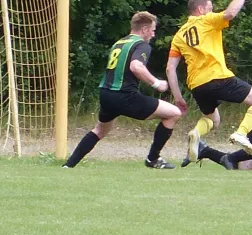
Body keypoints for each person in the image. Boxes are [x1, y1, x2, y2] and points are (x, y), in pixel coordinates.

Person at [166, 0, 252, 164]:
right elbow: (230, 14)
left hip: (197, 85)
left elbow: (170, 69)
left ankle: (196, 133)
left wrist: (179, 98)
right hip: (217, 77)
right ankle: (241, 133)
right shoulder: (205, 21)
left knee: (213, 120)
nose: (211, 11)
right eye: (210, 8)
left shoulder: (179, 35)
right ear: (200, 9)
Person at [63, 11, 183, 169]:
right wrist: (156, 83)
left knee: (100, 129)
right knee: (174, 113)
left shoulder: (119, 43)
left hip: (106, 94)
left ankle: (69, 166)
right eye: (153, 30)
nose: (153, 35)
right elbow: (136, 66)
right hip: (124, 96)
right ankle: (153, 159)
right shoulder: (142, 45)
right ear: (145, 29)